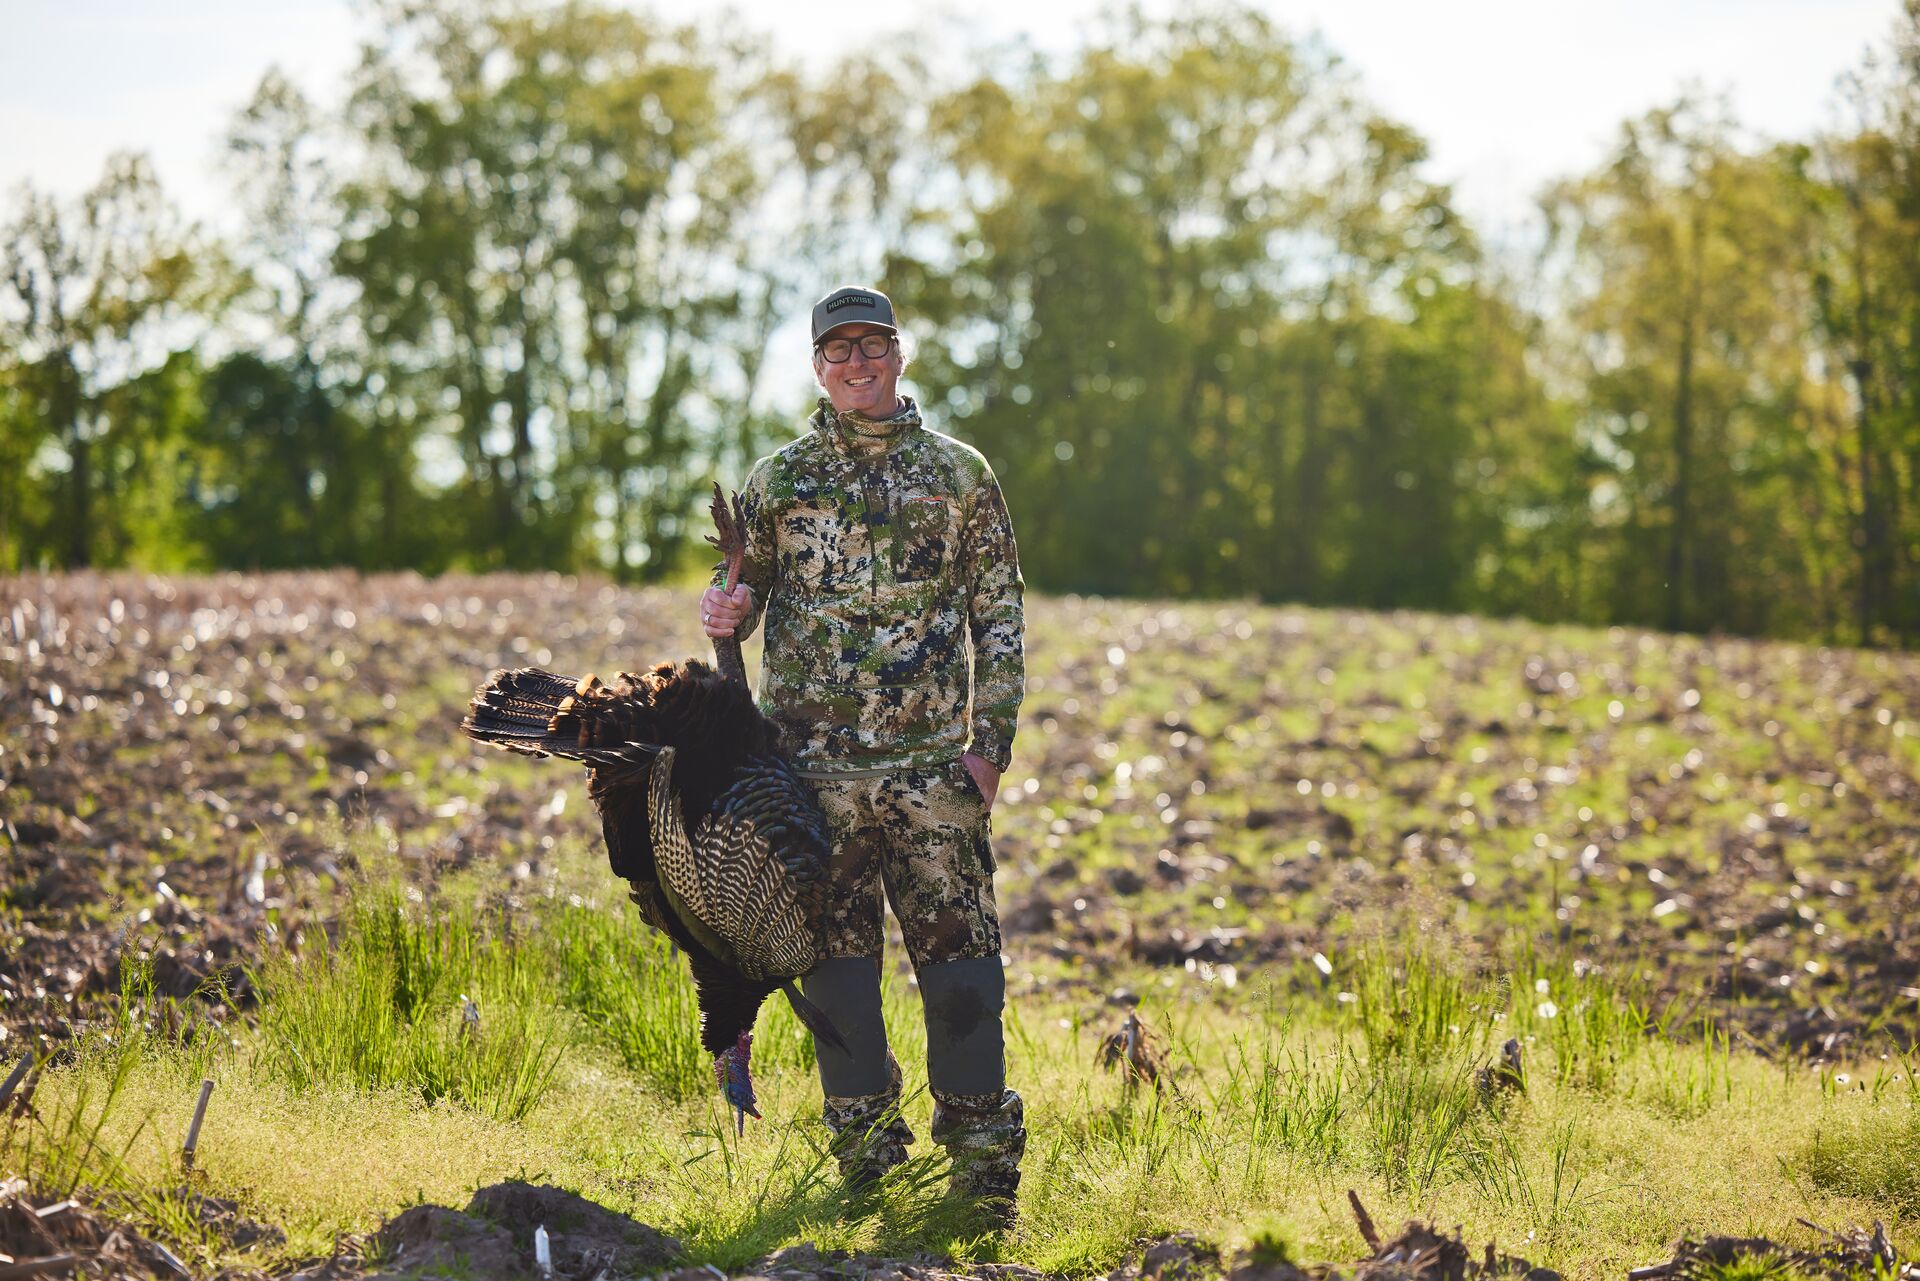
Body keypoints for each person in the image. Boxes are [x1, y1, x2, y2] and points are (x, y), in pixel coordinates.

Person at [699, 285, 1027, 1227]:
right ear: (817, 367)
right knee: (837, 976)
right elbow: (740, 594)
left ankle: (979, 1176)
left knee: (963, 975)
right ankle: (869, 1166)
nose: (857, 363)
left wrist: (987, 753)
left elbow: (998, 616)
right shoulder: (779, 480)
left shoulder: (960, 475)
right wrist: (723, 609)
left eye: (872, 346)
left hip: (934, 779)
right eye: (838, 350)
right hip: (813, 782)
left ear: (899, 355)